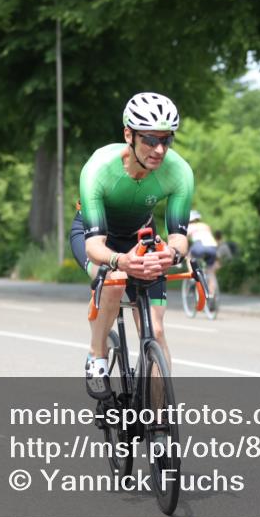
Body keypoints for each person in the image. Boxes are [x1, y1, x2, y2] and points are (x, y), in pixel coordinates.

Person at [70, 92, 192, 401]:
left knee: (157, 331)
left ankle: (159, 423)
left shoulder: (179, 172)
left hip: (141, 237)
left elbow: (178, 235)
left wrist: (171, 254)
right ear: (129, 135)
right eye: (150, 140)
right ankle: (96, 355)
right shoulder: (98, 168)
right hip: (98, 236)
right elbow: (95, 245)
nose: (159, 150)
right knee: (113, 282)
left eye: (167, 140)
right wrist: (120, 262)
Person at [187, 209, 219, 298]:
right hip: (212, 247)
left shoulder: (190, 227)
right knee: (210, 272)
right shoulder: (205, 226)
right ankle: (211, 295)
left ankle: (193, 276)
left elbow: (184, 241)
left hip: (199, 246)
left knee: (189, 257)